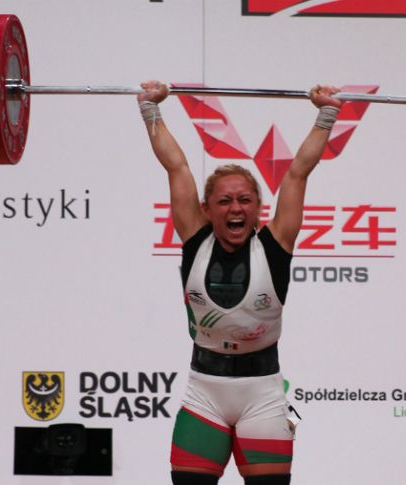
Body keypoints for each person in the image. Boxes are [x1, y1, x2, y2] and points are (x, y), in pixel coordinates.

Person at [138, 80, 342, 485]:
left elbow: (298, 172)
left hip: (263, 396)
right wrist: (150, 110)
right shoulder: (195, 238)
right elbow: (176, 165)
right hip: (204, 394)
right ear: (207, 209)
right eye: (226, 201)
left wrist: (327, 114)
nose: (236, 208)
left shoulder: (276, 243)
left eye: (245, 200)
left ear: (257, 209)